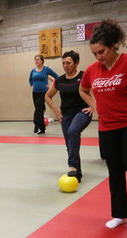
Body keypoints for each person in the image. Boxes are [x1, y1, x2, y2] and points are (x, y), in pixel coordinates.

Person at [79, 19, 127, 229]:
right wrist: (95, 105)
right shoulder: (92, 69)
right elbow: (83, 89)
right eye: (95, 53)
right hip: (107, 126)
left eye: (102, 52)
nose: (99, 57)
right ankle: (120, 213)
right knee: (114, 169)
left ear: (113, 46)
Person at [45, 51, 92, 182]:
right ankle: (77, 174)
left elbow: (97, 91)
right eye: (63, 63)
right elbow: (47, 96)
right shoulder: (59, 80)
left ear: (76, 63)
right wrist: (56, 111)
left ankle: (71, 165)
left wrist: (93, 106)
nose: (65, 65)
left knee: (73, 131)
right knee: (69, 144)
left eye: (68, 63)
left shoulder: (84, 76)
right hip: (66, 114)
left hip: (82, 111)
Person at [29, 54, 59, 134]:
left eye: (38, 59)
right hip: (35, 92)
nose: (36, 61)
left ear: (42, 60)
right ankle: (42, 128)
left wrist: (52, 86)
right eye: (35, 59)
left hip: (43, 92)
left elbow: (57, 77)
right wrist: (32, 85)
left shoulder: (46, 69)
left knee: (38, 107)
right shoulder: (33, 70)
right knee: (39, 109)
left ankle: (36, 122)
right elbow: (30, 79)